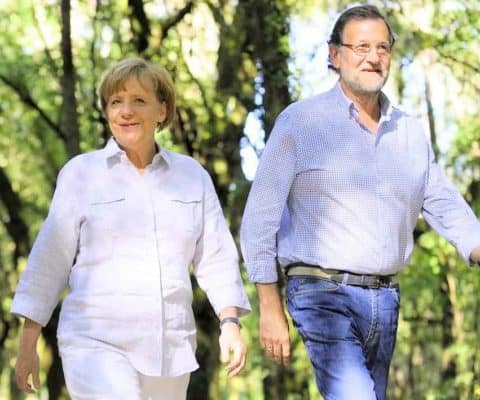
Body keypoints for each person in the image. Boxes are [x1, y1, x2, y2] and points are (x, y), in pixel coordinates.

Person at [240, 5, 480, 400]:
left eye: (383, 47)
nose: (373, 57)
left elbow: (441, 200)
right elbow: (259, 221)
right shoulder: (301, 122)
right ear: (335, 55)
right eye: (361, 46)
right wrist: (269, 307)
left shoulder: (410, 131)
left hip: (385, 299)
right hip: (320, 292)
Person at [12, 57, 251, 400]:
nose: (125, 111)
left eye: (138, 100)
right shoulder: (81, 174)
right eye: (115, 101)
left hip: (171, 349)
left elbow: (215, 256)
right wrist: (27, 344)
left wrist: (230, 323)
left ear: (162, 111)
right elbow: (50, 260)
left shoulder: (191, 176)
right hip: (95, 341)